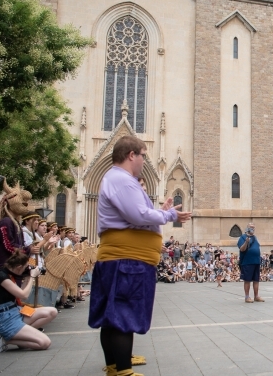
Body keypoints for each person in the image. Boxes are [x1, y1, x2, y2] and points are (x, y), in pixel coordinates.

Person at [89, 136, 191, 376]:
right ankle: (123, 371)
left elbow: (136, 213)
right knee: (124, 314)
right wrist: (168, 216)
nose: (145, 160)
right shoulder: (123, 181)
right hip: (126, 260)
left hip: (122, 258)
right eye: (143, 154)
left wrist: (160, 212)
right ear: (131, 155)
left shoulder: (119, 180)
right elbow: (137, 216)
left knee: (112, 316)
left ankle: (115, 366)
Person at [0, 249, 57, 352]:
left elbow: (20, 293)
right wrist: (32, 277)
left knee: (52, 312)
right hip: (5, 318)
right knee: (44, 343)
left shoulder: (9, 274)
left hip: (16, 311)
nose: (25, 270)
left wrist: (28, 277)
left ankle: (19, 336)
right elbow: (24, 295)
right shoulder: (1, 277)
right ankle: (5, 340)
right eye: (25, 268)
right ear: (19, 267)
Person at [238, 223, 264, 303]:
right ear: (247, 228)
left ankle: (256, 296)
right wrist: (246, 242)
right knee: (247, 280)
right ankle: (247, 297)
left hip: (256, 261)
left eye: (253, 227)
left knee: (256, 280)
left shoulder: (255, 238)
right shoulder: (242, 237)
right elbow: (241, 249)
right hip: (247, 262)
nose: (252, 229)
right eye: (251, 227)